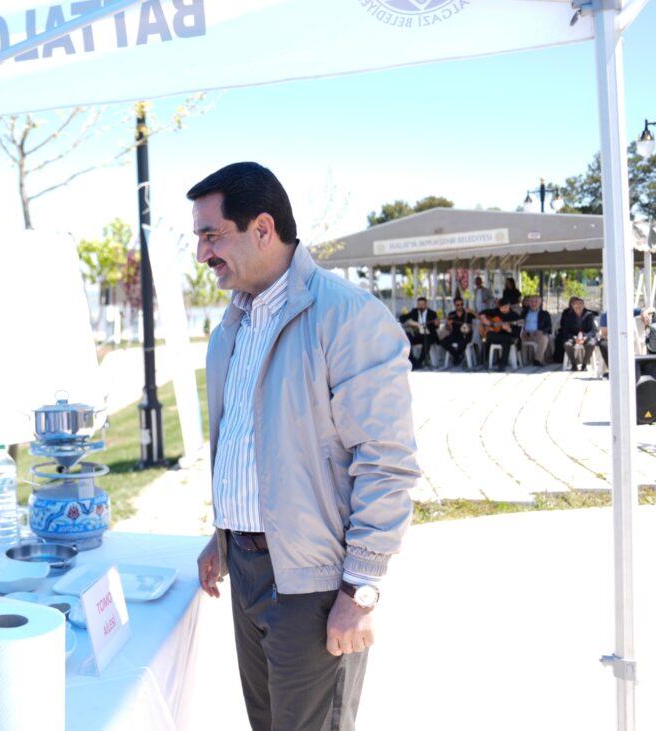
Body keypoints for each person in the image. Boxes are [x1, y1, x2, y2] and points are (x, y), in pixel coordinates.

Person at [188, 162, 417, 731]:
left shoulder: (348, 317)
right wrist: (223, 534)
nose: (201, 254)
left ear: (263, 228)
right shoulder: (232, 327)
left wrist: (360, 589)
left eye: (212, 235)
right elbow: (245, 445)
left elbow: (386, 462)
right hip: (246, 571)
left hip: (313, 587)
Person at [557, 297, 599, 371]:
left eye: (580, 304)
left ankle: (584, 364)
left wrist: (585, 337)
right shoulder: (568, 316)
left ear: (583, 305)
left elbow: (594, 330)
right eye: (576, 304)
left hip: (586, 336)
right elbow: (565, 331)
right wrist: (574, 337)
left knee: (591, 344)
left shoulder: (589, 315)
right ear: (572, 306)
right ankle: (574, 364)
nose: (578, 306)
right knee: (567, 344)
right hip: (573, 337)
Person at [479, 299, 521, 370]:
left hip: (508, 335)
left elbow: (517, 332)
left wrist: (509, 329)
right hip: (497, 336)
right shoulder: (496, 311)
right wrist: (485, 320)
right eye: (502, 308)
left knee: (506, 342)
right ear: (499, 307)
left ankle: (502, 365)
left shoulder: (515, 316)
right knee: (489, 335)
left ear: (509, 306)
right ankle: (486, 361)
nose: (504, 309)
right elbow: (482, 312)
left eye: (506, 307)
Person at [398, 296, 438, 370]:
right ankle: (412, 360)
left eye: (422, 304)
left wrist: (436, 324)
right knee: (407, 337)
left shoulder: (432, 313)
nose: (420, 306)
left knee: (427, 340)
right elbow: (402, 318)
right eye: (419, 304)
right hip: (417, 335)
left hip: (428, 335)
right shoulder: (414, 311)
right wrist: (412, 323)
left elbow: (435, 327)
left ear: (426, 304)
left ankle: (419, 362)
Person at [439, 297, 475, 367]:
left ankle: (456, 357)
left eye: (461, 304)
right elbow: (447, 328)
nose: (460, 306)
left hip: (466, 334)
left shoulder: (467, 313)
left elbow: (479, 318)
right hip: (455, 334)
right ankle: (457, 355)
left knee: (462, 343)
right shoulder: (451, 314)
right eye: (458, 305)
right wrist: (448, 324)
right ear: (455, 305)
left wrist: (472, 312)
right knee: (443, 342)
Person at [519, 295, 552, 366]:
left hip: (536, 334)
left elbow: (549, 327)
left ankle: (537, 360)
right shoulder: (524, 313)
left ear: (540, 303)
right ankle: (519, 359)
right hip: (524, 334)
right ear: (529, 303)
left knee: (544, 338)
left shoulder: (544, 314)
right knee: (515, 337)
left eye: (536, 301)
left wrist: (542, 331)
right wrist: (522, 330)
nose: (533, 303)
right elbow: (519, 324)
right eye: (531, 301)